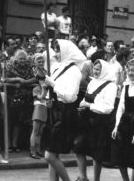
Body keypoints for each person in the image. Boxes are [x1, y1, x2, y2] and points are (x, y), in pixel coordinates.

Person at [44, 39, 86, 181]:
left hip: (65, 114)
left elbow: (69, 96)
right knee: (53, 156)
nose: (56, 54)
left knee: (49, 155)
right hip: (55, 111)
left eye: (58, 50)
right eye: (55, 50)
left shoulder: (74, 71)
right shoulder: (59, 67)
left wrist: (53, 84)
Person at [74, 59, 117, 181]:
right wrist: (83, 105)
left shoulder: (111, 86)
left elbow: (108, 108)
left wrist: (89, 106)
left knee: (97, 154)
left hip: (100, 123)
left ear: (104, 70)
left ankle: (96, 179)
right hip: (87, 121)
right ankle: (83, 177)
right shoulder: (92, 83)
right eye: (94, 69)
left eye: (98, 69)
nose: (95, 71)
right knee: (78, 146)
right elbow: (86, 98)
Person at [5, 50, 36, 152]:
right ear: (16, 59)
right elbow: (4, 79)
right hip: (12, 97)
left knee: (19, 122)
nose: (22, 60)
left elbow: (36, 78)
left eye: (24, 58)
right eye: (20, 58)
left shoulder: (30, 66)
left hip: (26, 98)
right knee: (10, 122)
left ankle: (14, 144)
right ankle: (8, 144)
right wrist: (16, 79)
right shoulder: (10, 66)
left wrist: (25, 82)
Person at [30, 54, 48, 159]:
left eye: (42, 61)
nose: (41, 63)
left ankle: (38, 149)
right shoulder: (34, 72)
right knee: (35, 130)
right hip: (38, 104)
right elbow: (40, 97)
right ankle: (32, 151)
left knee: (40, 130)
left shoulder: (45, 71)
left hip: (44, 103)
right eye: (39, 62)